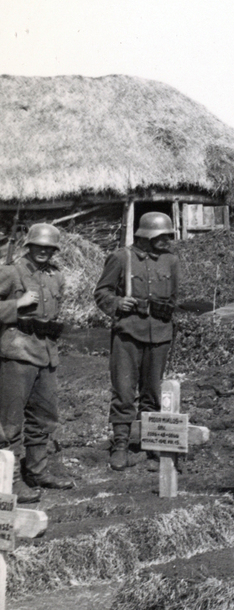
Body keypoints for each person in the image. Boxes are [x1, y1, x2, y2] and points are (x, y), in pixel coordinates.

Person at [94, 211, 180, 471]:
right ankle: (120, 445)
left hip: (160, 334)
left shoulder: (171, 262)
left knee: (152, 392)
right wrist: (118, 303)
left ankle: (152, 442)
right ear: (148, 235)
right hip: (128, 333)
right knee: (123, 391)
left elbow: (173, 297)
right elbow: (101, 293)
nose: (167, 240)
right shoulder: (122, 258)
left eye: (168, 235)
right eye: (162, 236)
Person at [0, 224, 73, 499]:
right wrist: (15, 305)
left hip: (46, 353)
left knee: (44, 417)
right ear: (28, 246)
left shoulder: (56, 276)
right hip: (16, 353)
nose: (44, 251)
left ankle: (37, 471)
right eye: (39, 246)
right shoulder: (10, 272)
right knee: (9, 423)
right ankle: (10, 480)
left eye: (50, 248)